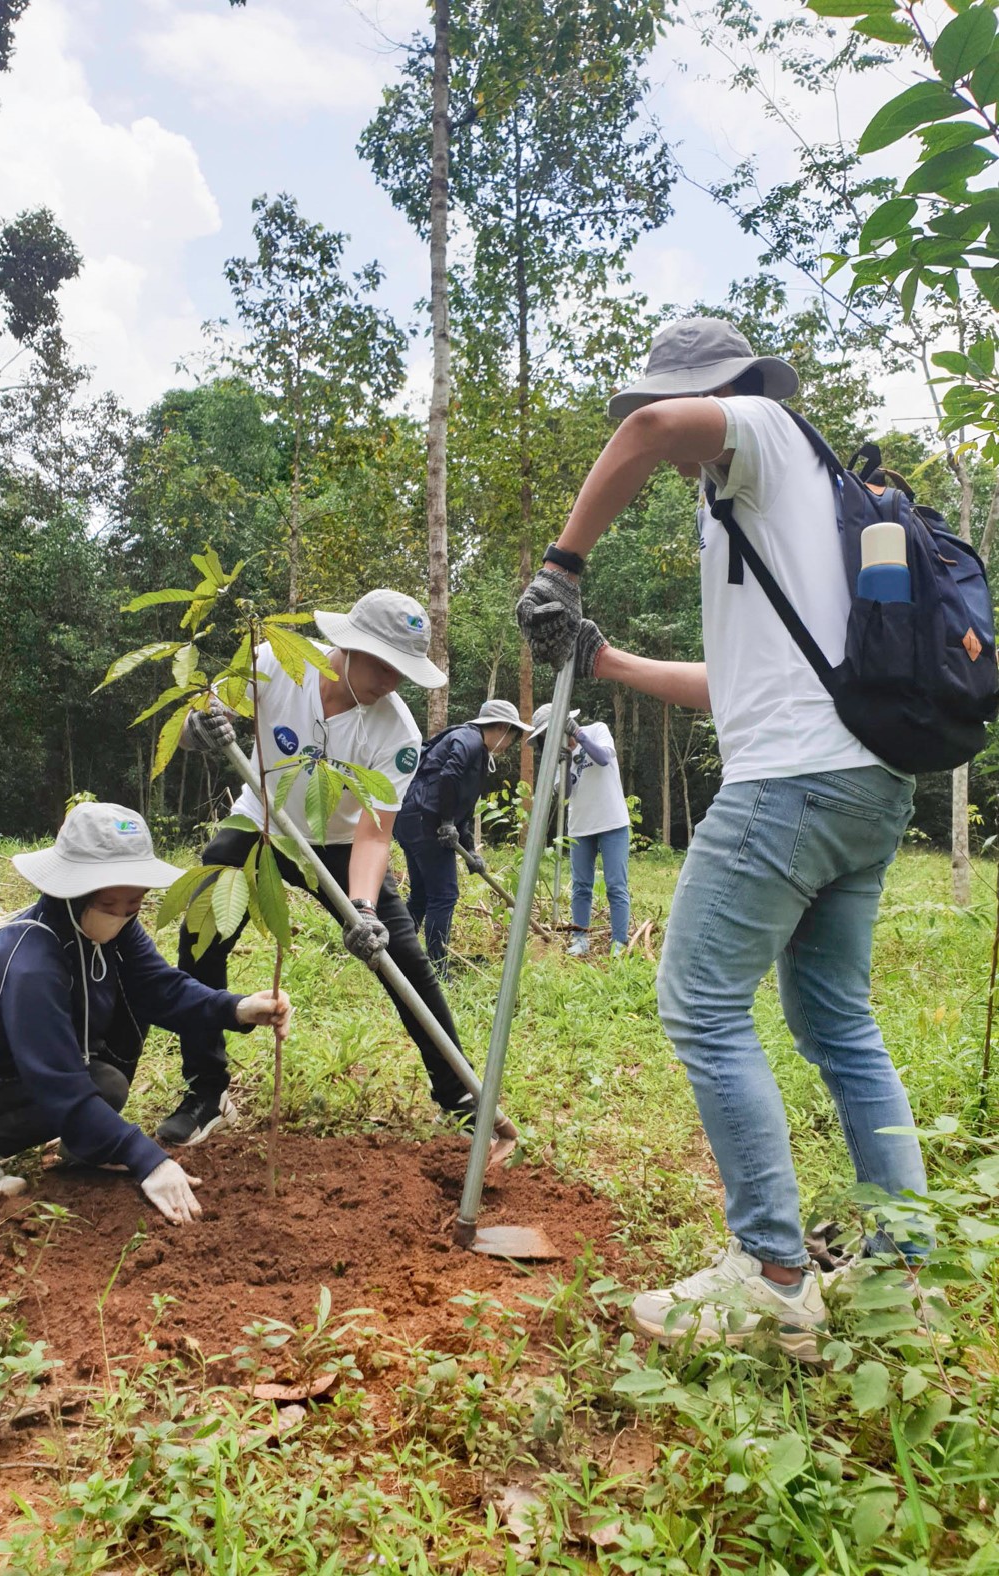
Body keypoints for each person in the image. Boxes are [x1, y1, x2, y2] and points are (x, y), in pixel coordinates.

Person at [516, 316, 927, 1360]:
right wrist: (604, 661)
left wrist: (563, 565)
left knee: (697, 997)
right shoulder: (772, 509)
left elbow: (653, 421)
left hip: (791, 785)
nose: (663, 443)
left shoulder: (764, 430)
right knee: (836, 1020)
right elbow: (728, 686)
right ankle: (898, 1267)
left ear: (731, 391)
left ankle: (775, 1275)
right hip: (862, 782)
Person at [158, 589, 482, 1146]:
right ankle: (206, 1089)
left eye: (404, 671)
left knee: (401, 954)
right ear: (346, 645)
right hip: (261, 815)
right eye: (383, 665)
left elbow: (374, 833)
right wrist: (199, 732)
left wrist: (361, 908)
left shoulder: (398, 734)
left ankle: (458, 1096)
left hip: (339, 842)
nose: (391, 681)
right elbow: (199, 719)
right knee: (202, 925)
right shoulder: (276, 659)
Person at [0, 803, 291, 1225]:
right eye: (112, 902)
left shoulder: (113, 929)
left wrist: (236, 1008)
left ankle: (87, 1139)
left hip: (25, 1065)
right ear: (74, 889)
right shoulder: (32, 964)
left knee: (105, 1085)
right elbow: (61, 1088)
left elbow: (162, 988)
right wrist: (149, 1161)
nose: (124, 914)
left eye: (135, 904)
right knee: (89, 1094)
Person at [393, 698, 531, 977]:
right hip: (425, 822)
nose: (508, 746)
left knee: (421, 894)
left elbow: (462, 810)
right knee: (444, 895)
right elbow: (449, 777)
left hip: (412, 820)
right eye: (512, 738)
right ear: (503, 728)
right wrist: (445, 822)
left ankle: (397, 955)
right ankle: (437, 969)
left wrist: (470, 852)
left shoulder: (474, 749)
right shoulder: (468, 740)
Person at [528, 702, 630, 958]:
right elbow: (565, 793)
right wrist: (564, 765)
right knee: (581, 886)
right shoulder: (559, 756)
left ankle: (619, 941)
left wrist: (579, 736)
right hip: (580, 827)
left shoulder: (597, 730)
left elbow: (605, 758)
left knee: (616, 884)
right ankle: (580, 939)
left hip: (612, 821)